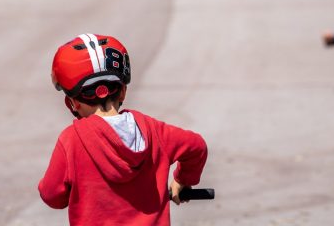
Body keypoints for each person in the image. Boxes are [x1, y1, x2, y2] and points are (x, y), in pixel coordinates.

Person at [39, 33, 208, 225]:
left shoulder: (71, 140)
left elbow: (52, 195)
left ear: (72, 103)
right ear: (123, 91)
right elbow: (196, 146)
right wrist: (182, 179)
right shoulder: (154, 131)